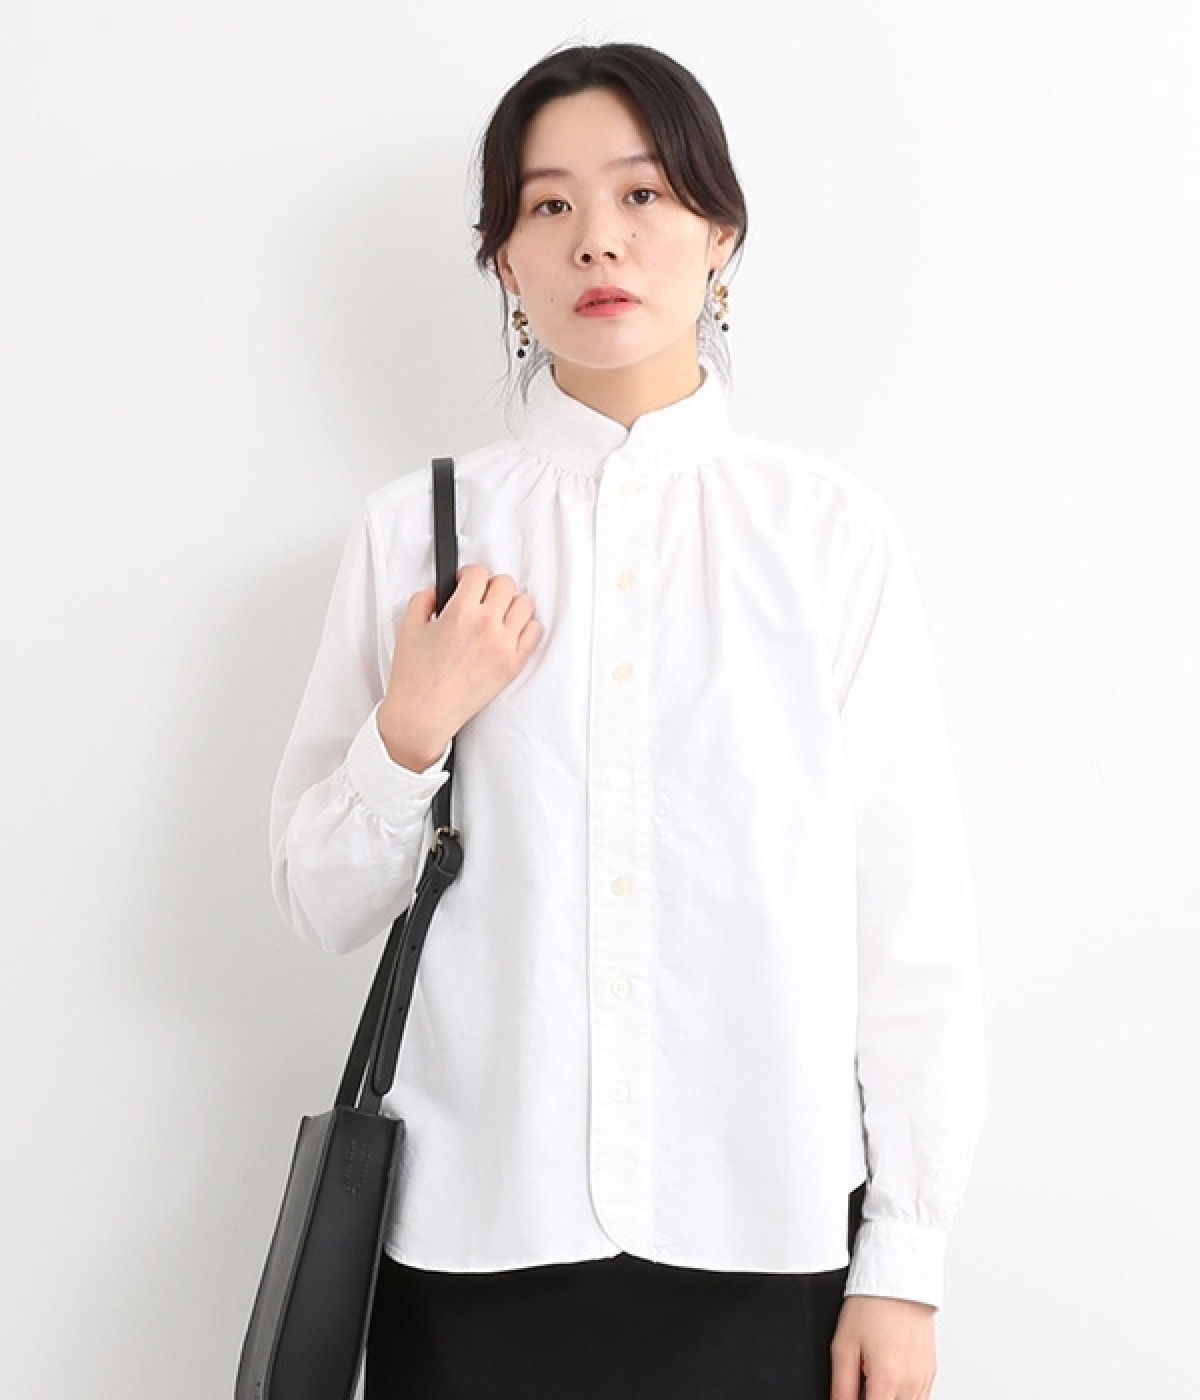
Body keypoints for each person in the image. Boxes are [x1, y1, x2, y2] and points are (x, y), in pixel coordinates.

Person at [270, 41, 986, 1400]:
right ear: (504, 262)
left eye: (644, 193)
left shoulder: (825, 537)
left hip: (763, 1233)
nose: (598, 237)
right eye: (548, 204)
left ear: (721, 234)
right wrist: (409, 731)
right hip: (476, 1238)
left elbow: (909, 923)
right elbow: (318, 902)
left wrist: (904, 1257)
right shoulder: (413, 535)